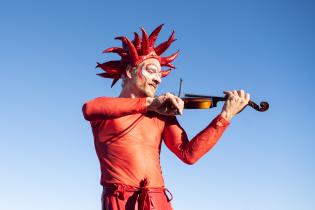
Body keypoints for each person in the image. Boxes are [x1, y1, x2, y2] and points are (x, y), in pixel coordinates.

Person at [82, 24, 250, 210]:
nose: (158, 79)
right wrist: (150, 104)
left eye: (160, 74)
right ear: (130, 72)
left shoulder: (161, 115)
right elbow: (89, 109)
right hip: (120, 201)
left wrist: (225, 116)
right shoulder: (107, 109)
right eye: (151, 71)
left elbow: (189, 155)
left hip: (157, 201)